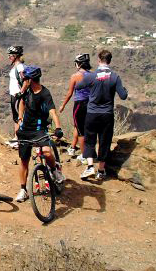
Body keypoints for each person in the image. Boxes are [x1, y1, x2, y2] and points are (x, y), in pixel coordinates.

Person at [14, 66, 64, 202]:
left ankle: (54, 170)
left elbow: (52, 111)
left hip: (39, 129)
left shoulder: (45, 93)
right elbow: (22, 102)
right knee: (24, 161)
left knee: (47, 152)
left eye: (25, 79)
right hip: (25, 130)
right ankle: (23, 189)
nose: (24, 81)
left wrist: (58, 127)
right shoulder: (26, 90)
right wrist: (19, 118)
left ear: (31, 80)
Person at [79, 49, 128, 182]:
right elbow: (123, 96)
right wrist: (125, 90)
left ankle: (90, 166)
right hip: (107, 114)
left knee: (90, 140)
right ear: (110, 61)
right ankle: (101, 170)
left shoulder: (91, 76)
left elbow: (78, 86)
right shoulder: (115, 77)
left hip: (92, 113)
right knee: (104, 141)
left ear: (99, 60)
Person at [59, 53, 92, 161]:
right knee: (79, 127)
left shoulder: (75, 76)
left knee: (81, 131)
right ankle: (73, 147)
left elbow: (69, 93)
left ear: (79, 64)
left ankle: (84, 155)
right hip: (90, 104)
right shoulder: (92, 75)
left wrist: (63, 105)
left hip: (79, 105)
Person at [7, 45, 26, 123]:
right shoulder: (15, 67)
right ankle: (17, 135)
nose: (8, 57)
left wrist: (21, 92)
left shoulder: (20, 67)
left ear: (15, 56)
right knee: (15, 117)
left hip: (18, 96)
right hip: (14, 95)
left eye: (10, 55)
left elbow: (26, 81)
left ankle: (20, 134)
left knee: (19, 117)